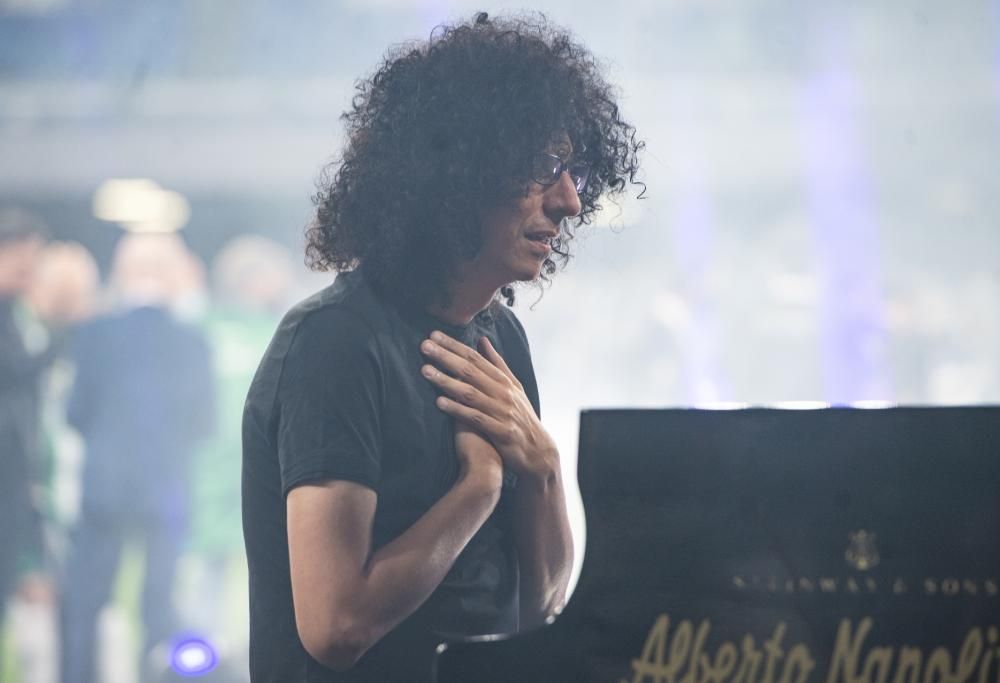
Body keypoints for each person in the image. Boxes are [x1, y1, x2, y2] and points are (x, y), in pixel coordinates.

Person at [241, 12, 642, 682]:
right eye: (546, 166)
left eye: (574, 171)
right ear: (462, 170)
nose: (570, 201)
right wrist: (479, 487)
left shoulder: (500, 336)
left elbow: (542, 607)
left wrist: (543, 469)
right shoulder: (335, 342)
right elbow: (335, 626)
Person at [59, 232, 215, 683]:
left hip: (103, 487)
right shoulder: (191, 340)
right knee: (158, 604)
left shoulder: (95, 333)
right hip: (166, 488)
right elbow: (205, 421)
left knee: (87, 602)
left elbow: (75, 412)